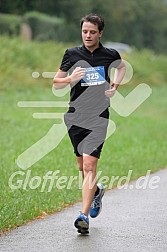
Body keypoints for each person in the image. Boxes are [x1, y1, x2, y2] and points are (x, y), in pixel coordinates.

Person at [53, 13, 126, 234]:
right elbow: (56, 83)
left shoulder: (109, 54)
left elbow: (122, 67)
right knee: (81, 167)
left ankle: (83, 216)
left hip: (99, 115)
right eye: (85, 31)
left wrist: (115, 85)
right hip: (75, 116)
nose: (88, 35)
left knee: (89, 165)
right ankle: (95, 193)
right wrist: (70, 79)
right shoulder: (72, 54)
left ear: (100, 33)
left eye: (92, 32)